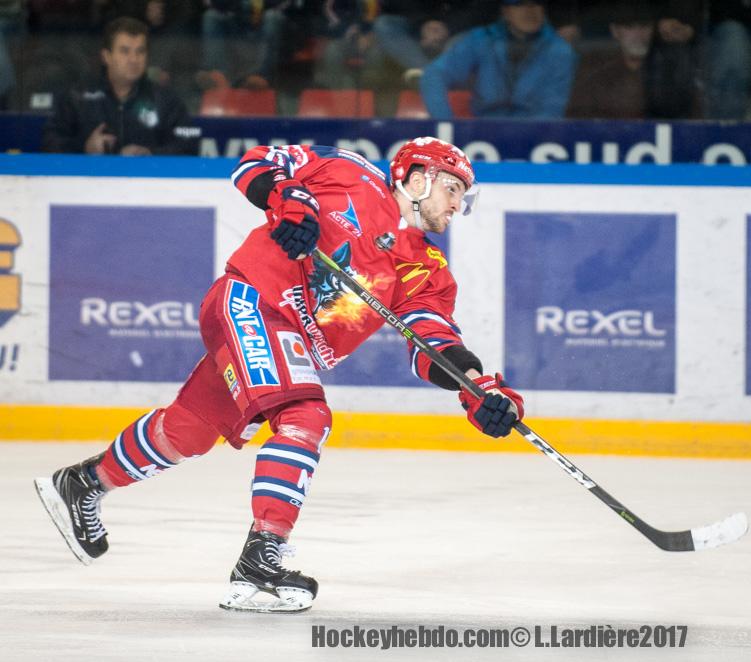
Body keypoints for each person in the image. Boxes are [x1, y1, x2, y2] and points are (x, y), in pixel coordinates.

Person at [34, 137, 526, 614]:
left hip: (284, 342)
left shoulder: (425, 266)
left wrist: (476, 388)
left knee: (191, 429)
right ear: (419, 178)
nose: (457, 206)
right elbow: (255, 163)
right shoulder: (347, 171)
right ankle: (261, 559)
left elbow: (432, 342)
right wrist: (291, 202)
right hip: (251, 301)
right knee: (305, 414)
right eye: (454, 190)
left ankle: (83, 484)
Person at [41, 17, 198, 155]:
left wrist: (150, 154)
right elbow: (49, 142)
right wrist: (84, 148)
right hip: (90, 186)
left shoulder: (165, 100)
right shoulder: (78, 96)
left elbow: (189, 144)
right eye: (125, 51)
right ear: (106, 57)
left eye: (140, 51)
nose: (134, 59)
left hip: (147, 186)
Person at [419, 0, 576, 119]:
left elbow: (552, 109)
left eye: (535, 4)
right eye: (520, 4)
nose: (529, 11)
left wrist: (527, 138)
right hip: (483, 131)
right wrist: (446, 124)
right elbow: (434, 74)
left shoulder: (560, 50)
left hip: (538, 138)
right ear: (506, 11)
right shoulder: (482, 39)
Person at [566, 5, 655, 119]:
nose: (638, 35)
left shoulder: (665, 69)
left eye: (644, 26)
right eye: (629, 27)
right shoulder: (594, 68)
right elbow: (577, 117)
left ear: (653, 29)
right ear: (615, 31)